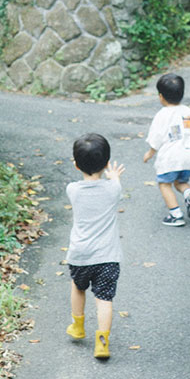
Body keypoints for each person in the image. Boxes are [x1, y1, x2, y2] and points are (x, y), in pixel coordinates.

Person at [65, 133, 124, 360]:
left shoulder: (73, 190)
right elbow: (115, 184)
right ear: (107, 163)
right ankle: (102, 343)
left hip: (80, 255)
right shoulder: (112, 190)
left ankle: (78, 326)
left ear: (76, 164)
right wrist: (114, 176)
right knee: (105, 299)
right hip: (108, 257)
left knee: (78, 287)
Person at [143, 73, 190, 226]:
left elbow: (156, 137)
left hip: (171, 159)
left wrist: (150, 153)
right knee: (180, 182)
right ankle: (189, 193)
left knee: (164, 184)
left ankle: (175, 214)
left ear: (161, 96)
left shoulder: (162, 115)